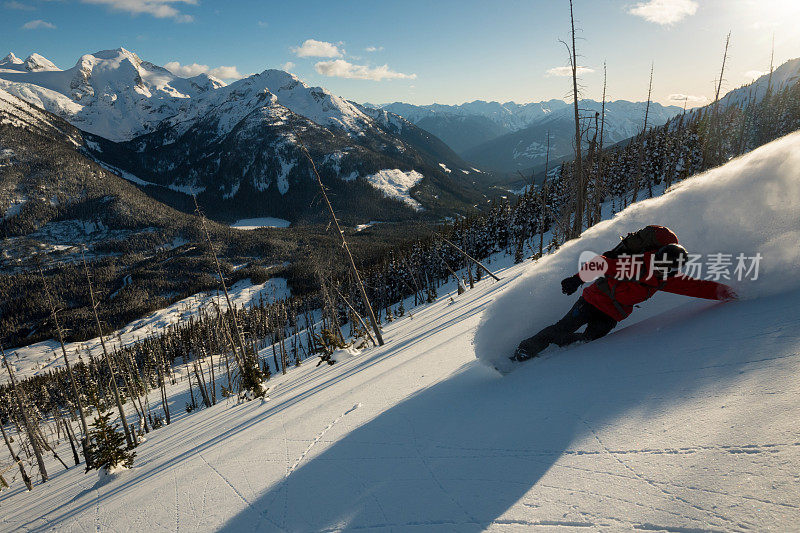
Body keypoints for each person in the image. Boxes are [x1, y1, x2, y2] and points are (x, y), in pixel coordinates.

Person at [512, 226, 737, 361]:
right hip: (592, 301)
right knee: (562, 328)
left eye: (665, 269)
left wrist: (732, 293)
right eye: (658, 263)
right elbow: (602, 264)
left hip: (612, 314)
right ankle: (524, 351)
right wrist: (576, 279)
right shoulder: (634, 264)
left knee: (589, 341)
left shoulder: (666, 280)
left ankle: (558, 349)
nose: (658, 269)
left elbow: (697, 287)